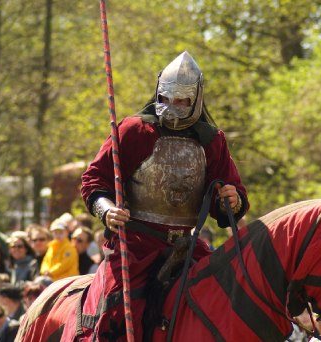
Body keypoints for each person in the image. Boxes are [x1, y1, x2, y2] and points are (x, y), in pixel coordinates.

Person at [79, 51, 249, 340]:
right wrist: (106, 210)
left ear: (196, 98)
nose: (172, 107)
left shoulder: (211, 140)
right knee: (116, 315)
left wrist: (231, 200)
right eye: (166, 98)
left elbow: (230, 195)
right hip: (135, 247)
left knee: (229, 302)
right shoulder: (135, 130)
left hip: (188, 246)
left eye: (181, 100)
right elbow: (95, 179)